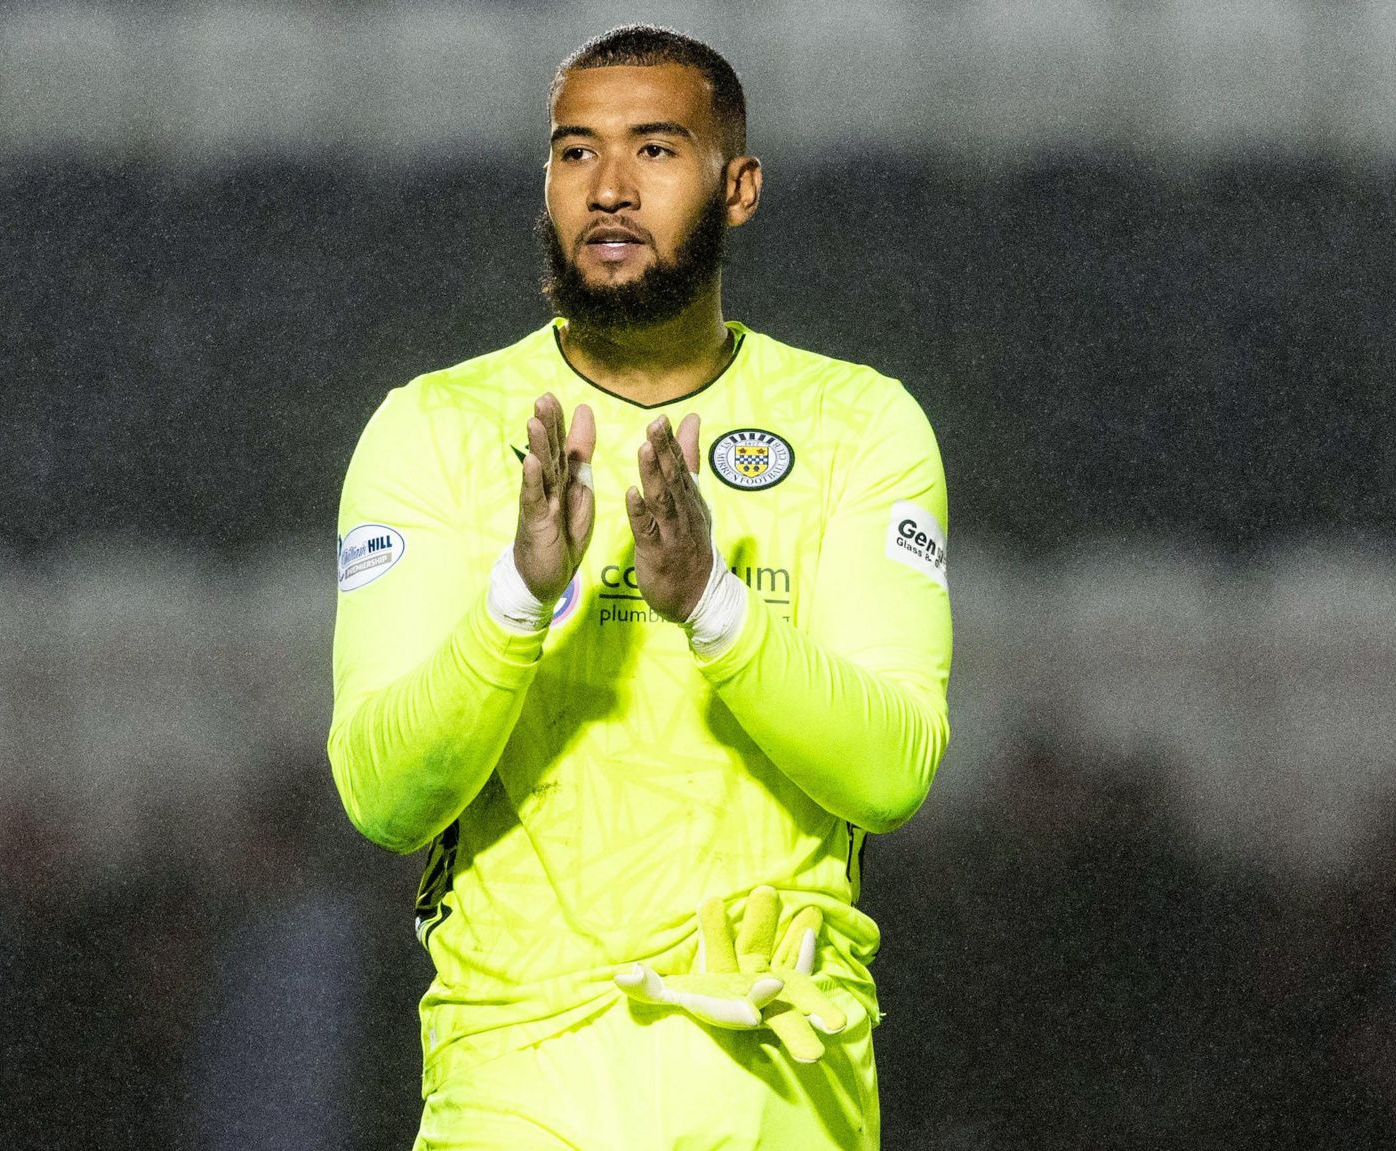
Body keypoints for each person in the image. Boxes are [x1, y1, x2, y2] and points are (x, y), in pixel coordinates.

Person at [327, 25, 952, 1149]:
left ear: (738, 185)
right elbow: (381, 796)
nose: (607, 188)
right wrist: (518, 597)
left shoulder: (861, 426)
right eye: (574, 153)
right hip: (519, 1071)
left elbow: (890, 770)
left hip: (775, 1084)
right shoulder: (430, 429)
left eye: (654, 149)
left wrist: (712, 601)